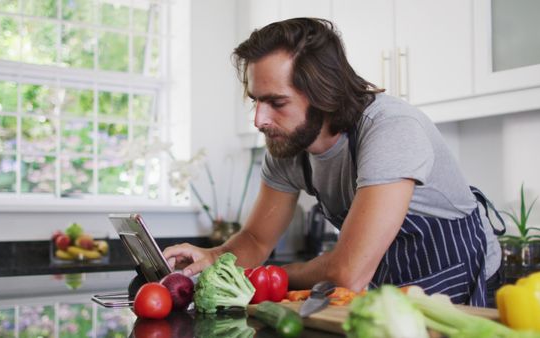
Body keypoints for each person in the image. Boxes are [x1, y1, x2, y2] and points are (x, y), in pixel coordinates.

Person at [163, 17, 504, 307]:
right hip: (387, 289)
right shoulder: (287, 143)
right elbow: (255, 239)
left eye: (276, 102)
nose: (259, 120)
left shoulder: (391, 129)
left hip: (462, 285)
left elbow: (348, 272)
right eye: (256, 101)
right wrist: (214, 258)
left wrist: (261, 277)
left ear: (325, 93)